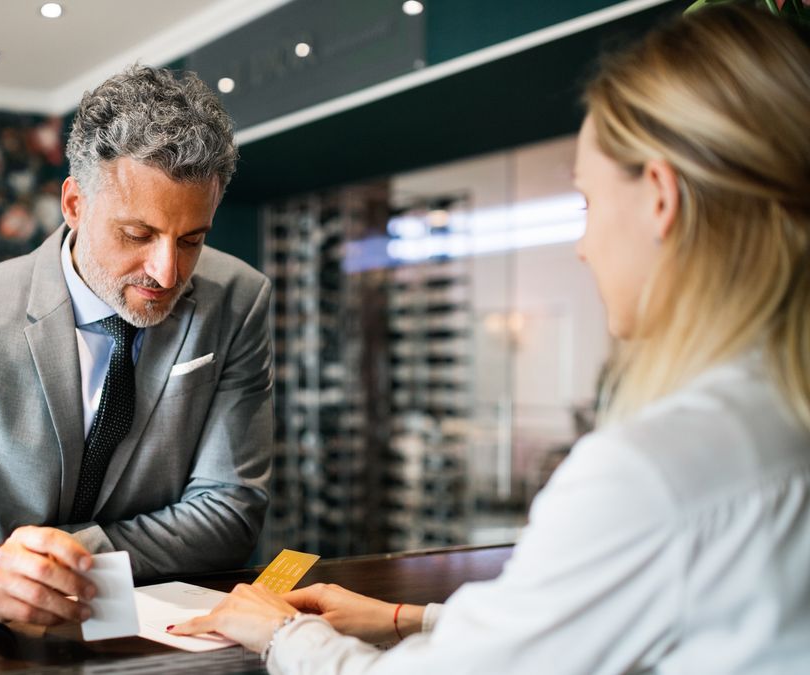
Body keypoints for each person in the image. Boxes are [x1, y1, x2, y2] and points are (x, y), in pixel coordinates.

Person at [170, 4, 810, 672]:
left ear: (659, 197)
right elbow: (604, 613)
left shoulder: (650, 473)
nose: (585, 247)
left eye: (586, 205)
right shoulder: (776, 421)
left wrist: (279, 634)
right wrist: (405, 617)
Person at [0, 64, 274, 625]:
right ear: (75, 204)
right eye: (138, 235)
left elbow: (230, 512)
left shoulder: (239, 299)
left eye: (192, 240)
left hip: (166, 627)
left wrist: (67, 559)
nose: (167, 271)